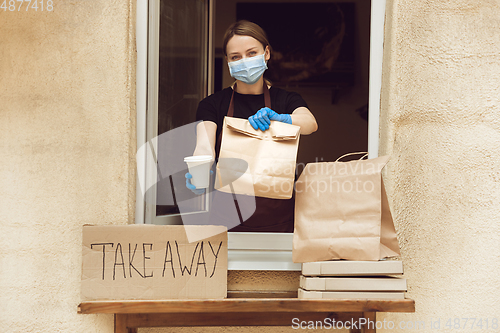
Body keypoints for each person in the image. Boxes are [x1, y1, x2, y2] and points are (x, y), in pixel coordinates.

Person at [185, 20, 318, 232]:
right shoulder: (212, 104)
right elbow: (204, 145)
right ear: (228, 61)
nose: (244, 61)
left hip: (279, 219)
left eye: (251, 53)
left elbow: (310, 123)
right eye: (235, 57)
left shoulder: (286, 100)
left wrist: (282, 118)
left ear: (266, 53)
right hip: (227, 221)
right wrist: (199, 172)